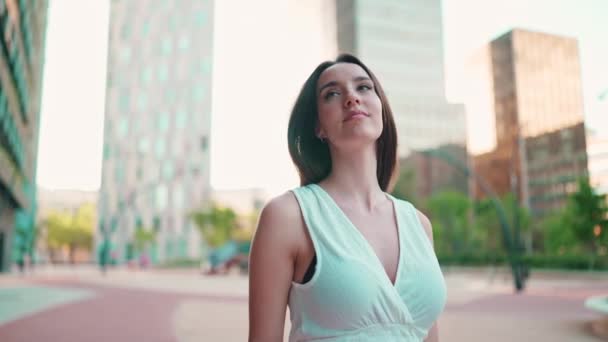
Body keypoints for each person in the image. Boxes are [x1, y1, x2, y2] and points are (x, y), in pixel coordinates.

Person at [248, 54, 447, 342]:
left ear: (381, 108)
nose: (352, 98)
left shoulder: (419, 224)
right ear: (318, 127)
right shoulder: (288, 216)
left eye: (364, 87)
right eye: (332, 93)